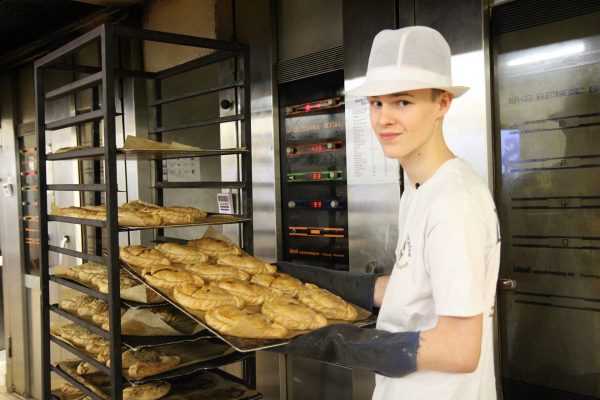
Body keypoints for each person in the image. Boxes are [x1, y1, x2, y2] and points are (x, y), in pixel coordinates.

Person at [276, 26, 501, 400]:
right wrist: (301, 278)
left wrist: (335, 341)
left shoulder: (454, 202)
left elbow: (460, 349)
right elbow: (410, 291)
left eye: (403, 102)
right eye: (376, 103)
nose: (383, 120)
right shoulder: (418, 188)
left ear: (442, 103)